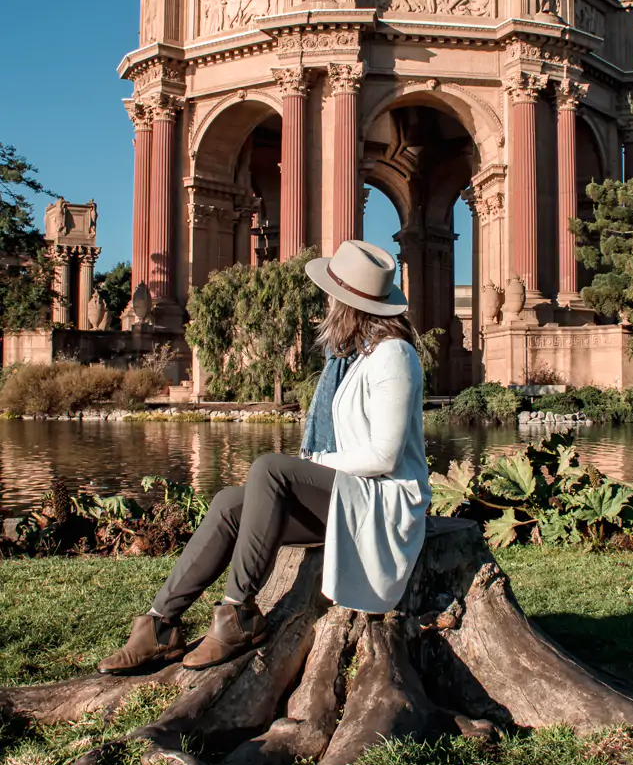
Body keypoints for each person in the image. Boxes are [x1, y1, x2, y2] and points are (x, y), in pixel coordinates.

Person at [98, 240, 430, 674]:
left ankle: (238, 612)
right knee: (228, 505)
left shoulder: (393, 356)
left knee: (270, 470)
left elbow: (384, 456)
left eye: (332, 293)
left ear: (347, 303)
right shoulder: (348, 358)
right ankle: (160, 626)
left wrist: (315, 466)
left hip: (382, 500)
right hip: (351, 495)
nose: (326, 301)